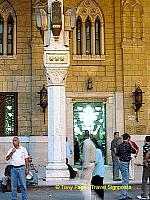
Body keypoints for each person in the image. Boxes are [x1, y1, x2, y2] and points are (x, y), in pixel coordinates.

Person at [116, 133, 137, 200]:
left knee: (125, 179)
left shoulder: (120, 145)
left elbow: (117, 154)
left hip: (122, 162)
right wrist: (131, 144)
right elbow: (134, 151)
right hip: (125, 163)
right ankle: (123, 196)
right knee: (125, 180)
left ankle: (125, 194)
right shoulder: (128, 145)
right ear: (128, 138)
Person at [80, 130, 96, 200]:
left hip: (88, 164)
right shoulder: (90, 142)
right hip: (91, 163)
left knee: (83, 183)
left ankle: (88, 198)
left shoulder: (86, 143)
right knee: (88, 182)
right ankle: (90, 197)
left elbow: (86, 155)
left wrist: (84, 166)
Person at [137, 136, 150, 200]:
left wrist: (145, 161)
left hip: (147, 165)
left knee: (144, 179)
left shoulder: (146, 145)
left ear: (146, 140)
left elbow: (148, 153)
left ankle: (144, 195)